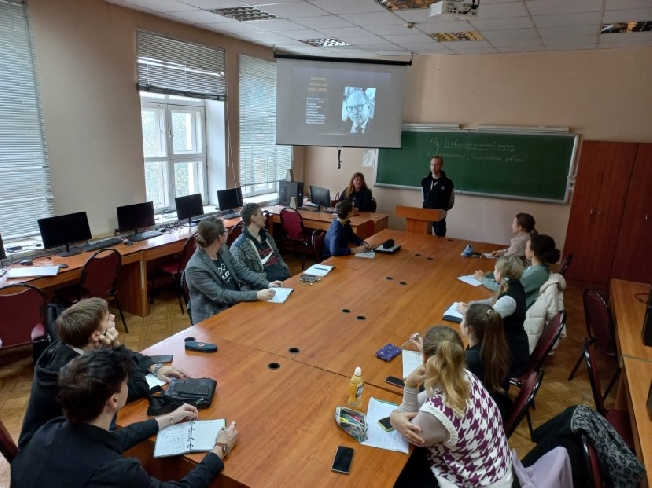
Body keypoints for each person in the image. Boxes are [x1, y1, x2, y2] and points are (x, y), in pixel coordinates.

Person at [12, 348, 239, 488]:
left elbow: (115, 439)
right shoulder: (117, 471)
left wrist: (169, 418)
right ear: (113, 401)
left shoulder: (50, 430)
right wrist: (219, 450)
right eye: (125, 383)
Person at [18, 297, 187, 449]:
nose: (114, 317)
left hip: (50, 436)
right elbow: (139, 386)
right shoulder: (81, 374)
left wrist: (155, 367)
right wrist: (116, 348)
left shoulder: (69, 344)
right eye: (108, 317)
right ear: (96, 335)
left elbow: (127, 354)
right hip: (49, 449)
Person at [390, 326, 513, 488]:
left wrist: (396, 413)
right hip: (498, 472)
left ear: (424, 357)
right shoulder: (466, 376)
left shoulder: (437, 412)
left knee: (399, 473)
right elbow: (424, 402)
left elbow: (409, 423)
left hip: (476, 483)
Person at [184, 216, 280, 324]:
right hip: (214, 315)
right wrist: (256, 295)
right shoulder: (195, 268)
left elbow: (241, 271)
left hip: (234, 303)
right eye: (225, 230)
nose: (227, 232)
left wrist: (267, 284)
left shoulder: (222, 249)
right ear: (219, 237)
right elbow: (220, 295)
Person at [461, 256, 529, 379]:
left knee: (471, 355)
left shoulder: (509, 300)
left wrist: (468, 312)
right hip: (509, 344)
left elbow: (486, 319)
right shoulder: (512, 285)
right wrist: (472, 304)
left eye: (495, 270)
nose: (493, 272)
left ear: (500, 273)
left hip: (510, 354)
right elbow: (493, 301)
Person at [475, 233, 560, 309]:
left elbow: (504, 289)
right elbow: (513, 274)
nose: (524, 251)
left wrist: (483, 279)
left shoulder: (537, 274)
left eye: (526, 248)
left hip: (515, 309)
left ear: (532, 253)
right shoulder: (535, 268)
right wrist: (489, 275)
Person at [460, 303, 513, 420]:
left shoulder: (470, 360)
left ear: (468, 329)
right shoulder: (499, 347)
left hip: (483, 416)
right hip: (497, 405)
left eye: (463, 318)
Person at [230, 203, 291, 283]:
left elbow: (277, 256)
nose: (265, 218)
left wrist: (285, 269)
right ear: (254, 218)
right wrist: (268, 282)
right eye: (261, 214)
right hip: (266, 286)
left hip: (285, 279)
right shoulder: (238, 247)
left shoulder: (267, 236)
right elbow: (243, 275)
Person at [420, 156, 454, 237]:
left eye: (436, 165)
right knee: (424, 237)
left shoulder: (448, 182)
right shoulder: (425, 180)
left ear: (441, 165)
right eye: (431, 165)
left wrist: (443, 210)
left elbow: (451, 200)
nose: (433, 167)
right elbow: (423, 197)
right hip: (426, 213)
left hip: (440, 214)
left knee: (439, 237)